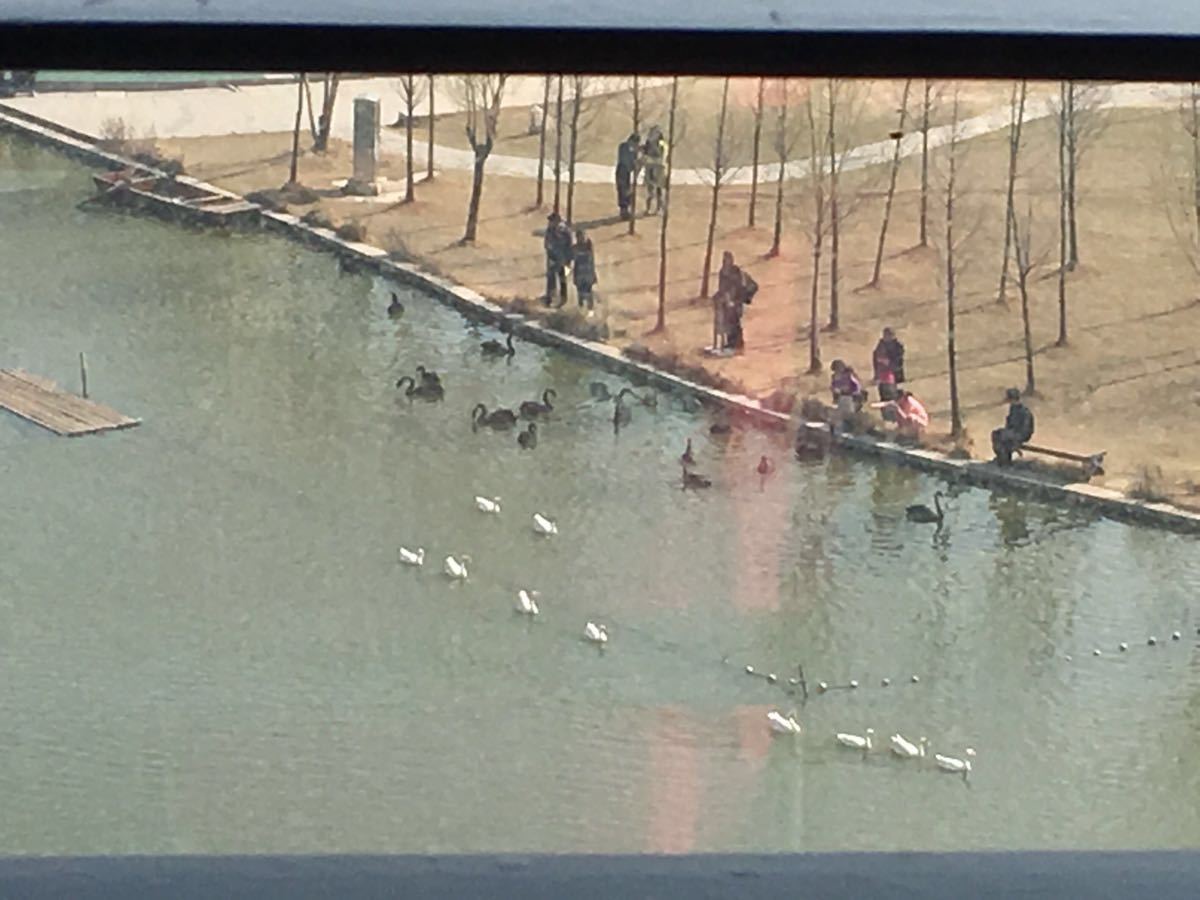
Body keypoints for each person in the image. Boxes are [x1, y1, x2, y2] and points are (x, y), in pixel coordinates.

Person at [714, 251, 757, 352]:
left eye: (727, 259)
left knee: (735, 321)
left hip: (737, 299)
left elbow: (741, 287)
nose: (725, 261)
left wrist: (737, 300)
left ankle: (738, 344)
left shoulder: (736, 272)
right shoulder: (722, 272)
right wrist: (723, 297)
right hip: (728, 301)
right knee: (728, 321)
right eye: (724, 259)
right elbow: (722, 287)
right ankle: (731, 343)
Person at [992, 387, 1035, 465]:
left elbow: (1026, 429)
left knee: (1000, 436)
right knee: (997, 434)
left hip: (1021, 434)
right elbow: (1009, 424)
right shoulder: (1013, 409)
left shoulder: (1023, 411)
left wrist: (1016, 439)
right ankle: (1003, 457)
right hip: (1014, 433)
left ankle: (1004, 459)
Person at [542, 212, 573, 307]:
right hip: (552, 259)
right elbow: (546, 244)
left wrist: (568, 259)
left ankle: (563, 299)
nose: (550, 223)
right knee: (551, 279)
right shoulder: (549, 231)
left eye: (552, 221)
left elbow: (569, 245)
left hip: (563, 259)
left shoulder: (564, 231)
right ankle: (550, 298)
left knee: (562, 279)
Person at [872, 327, 906, 401]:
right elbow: (876, 359)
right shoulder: (880, 345)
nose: (886, 337)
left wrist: (889, 363)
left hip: (895, 374)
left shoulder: (897, 346)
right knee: (883, 396)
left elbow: (898, 360)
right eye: (885, 335)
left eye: (888, 335)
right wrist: (876, 374)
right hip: (882, 375)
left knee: (896, 396)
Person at [642, 126, 667, 214]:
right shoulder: (648, 143)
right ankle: (648, 208)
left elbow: (662, 154)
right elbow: (645, 154)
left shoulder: (661, 143)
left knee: (659, 189)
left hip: (659, 167)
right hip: (650, 166)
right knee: (650, 189)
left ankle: (659, 208)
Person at [615, 132, 640, 220]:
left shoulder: (632, 150)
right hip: (622, 170)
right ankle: (623, 211)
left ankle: (626, 210)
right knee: (623, 190)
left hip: (627, 172)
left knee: (627, 190)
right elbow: (626, 160)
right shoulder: (624, 147)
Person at [572, 229, 597, 311]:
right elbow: (573, 260)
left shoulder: (589, 246)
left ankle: (591, 310)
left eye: (583, 236)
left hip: (588, 274)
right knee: (580, 293)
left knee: (589, 292)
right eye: (580, 237)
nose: (582, 238)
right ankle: (581, 310)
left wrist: (593, 274)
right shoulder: (575, 248)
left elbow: (591, 260)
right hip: (579, 274)